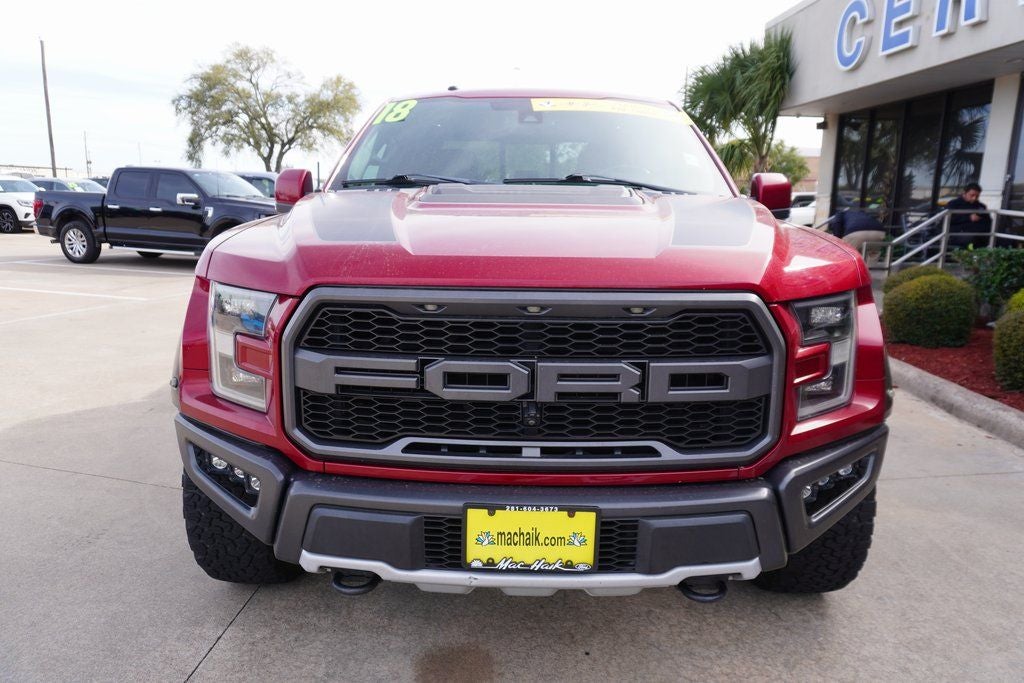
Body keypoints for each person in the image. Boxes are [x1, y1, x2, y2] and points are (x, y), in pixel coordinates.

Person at [946, 182, 991, 249]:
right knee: (971, 240)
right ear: (964, 193)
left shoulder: (981, 206)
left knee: (999, 239)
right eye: (972, 195)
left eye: (977, 196)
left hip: (979, 233)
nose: (974, 198)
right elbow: (948, 219)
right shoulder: (954, 204)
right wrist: (968, 218)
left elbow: (988, 221)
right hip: (958, 234)